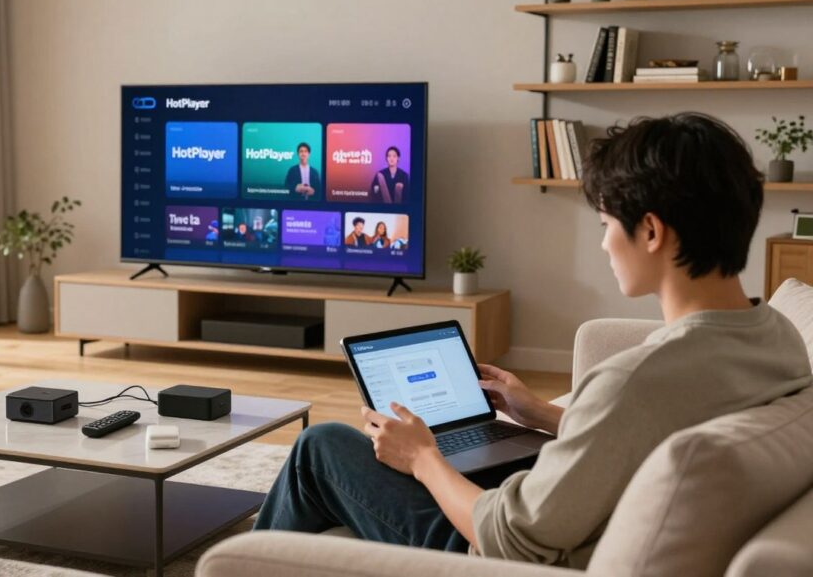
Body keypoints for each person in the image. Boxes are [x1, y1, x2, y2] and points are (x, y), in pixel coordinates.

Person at [253, 113, 812, 569]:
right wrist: (541, 414)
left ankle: (245, 562)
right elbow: (648, 435)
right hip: (575, 522)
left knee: (320, 446)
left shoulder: (633, 380)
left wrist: (423, 457)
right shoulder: (776, 335)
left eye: (604, 226)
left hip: (498, 558)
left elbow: (507, 541)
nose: (603, 245)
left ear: (649, 230)